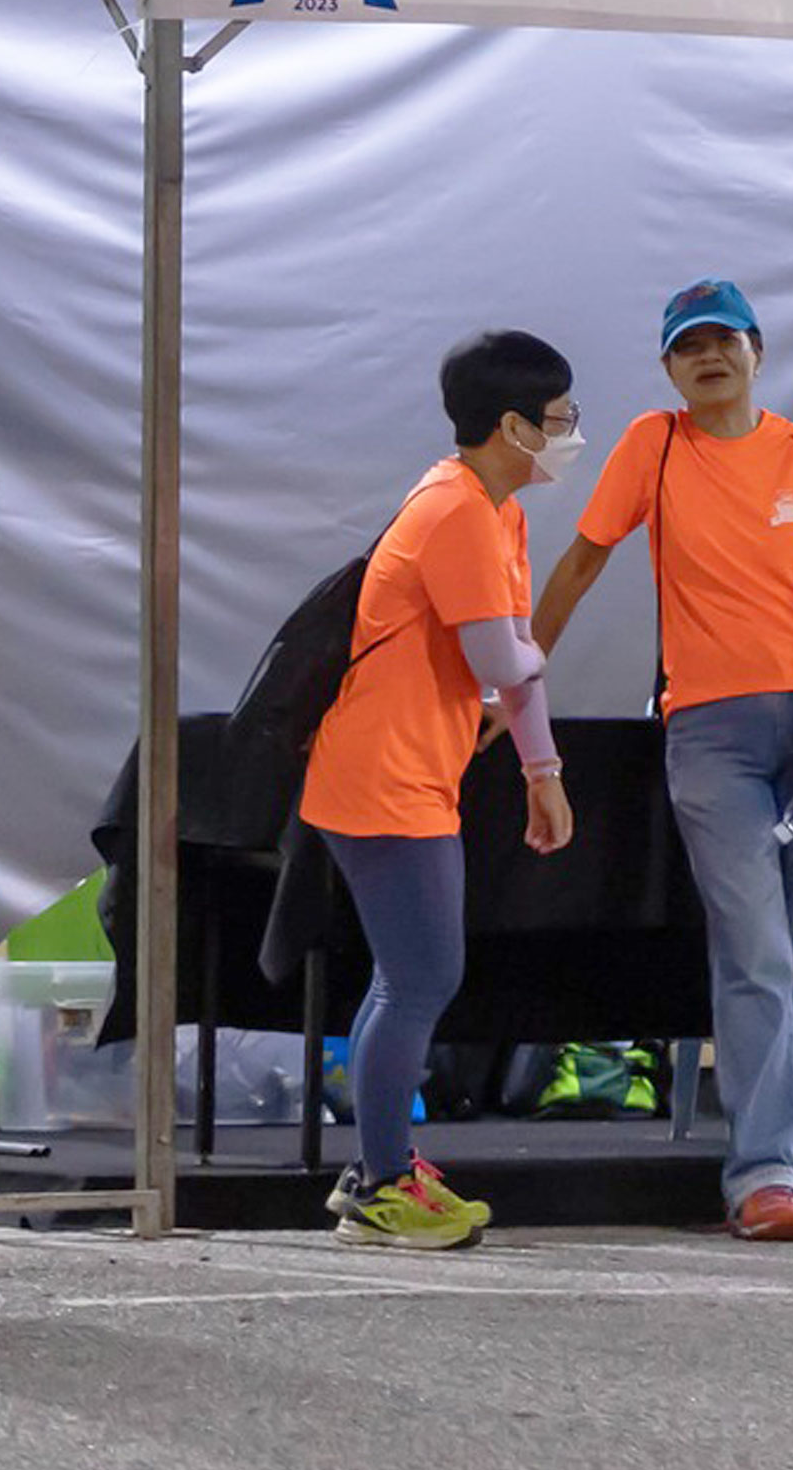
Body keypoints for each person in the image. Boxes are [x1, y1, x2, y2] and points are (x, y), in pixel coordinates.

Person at [531, 277, 793, 1244]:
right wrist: (517, 684)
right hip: (713, 734)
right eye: (689, 346)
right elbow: (582, 563)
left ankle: (780, 1163)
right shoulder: (657, 444)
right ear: (669, 368)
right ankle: (765, 1177)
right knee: (757, 954)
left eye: (725, 340)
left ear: (759, 352)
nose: (709, 356)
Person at [298, 329, 581, 1248]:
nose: (571, 434)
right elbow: (503, 659)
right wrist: (530, 658)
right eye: (560, 418)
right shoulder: (455, 509)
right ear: (511, 426)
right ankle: (382, 1184)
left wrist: (542, 771)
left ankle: (378, 1168)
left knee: (411, 976)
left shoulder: (500, 512)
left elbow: (514, 666)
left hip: (415, 773)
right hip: (382, 777)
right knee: (421, 976)